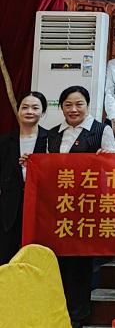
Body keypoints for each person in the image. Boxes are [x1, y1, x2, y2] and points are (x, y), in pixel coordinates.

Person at [46, 85, 115, 328]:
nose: (73, 109)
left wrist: (106, 159)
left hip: (87, 206)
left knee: (80, 262)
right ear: (61, 107)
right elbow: (47, 169)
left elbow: (114, 167)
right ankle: (58, 313)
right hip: (59, 206)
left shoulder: (101, 130)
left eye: (79, 104)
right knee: (58, 261)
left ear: (88, 105)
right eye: (68, 105)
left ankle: (77, 315)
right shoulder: (53, 134)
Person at [0, 91, 48, 264]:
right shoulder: (4, 141)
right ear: (18, 110)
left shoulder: (51, 139)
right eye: (25, 107)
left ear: (43, 112)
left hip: (40, 207)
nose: (29, 111)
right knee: (6, 256)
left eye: (35, 108)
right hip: (9, 208)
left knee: (37, 256)